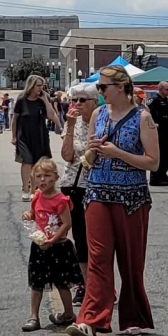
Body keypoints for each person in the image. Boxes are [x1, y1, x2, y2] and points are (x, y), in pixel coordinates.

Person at [65, 67, 158, 336]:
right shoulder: (98, 115)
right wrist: (93, 151)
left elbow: (153, 161)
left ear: (121, 87)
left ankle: (133, 316)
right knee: (98, 259)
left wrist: (117, 153)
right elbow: (89, 160)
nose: (100, 92)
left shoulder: (143, 118)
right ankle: (91, 320)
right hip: (97, 192)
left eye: (103, 87)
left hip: (131, 197)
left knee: (131, 261)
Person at [22, 157, 82, 331]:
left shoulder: (61, 200)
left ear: (55, 177)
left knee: (62, 282)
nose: (42, 180)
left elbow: (66, 223)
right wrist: (28, 215)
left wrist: (53, 239)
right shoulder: (37, 196)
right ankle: (34, 316)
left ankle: (68, 313)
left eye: (47, 176)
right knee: (37, 282)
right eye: (38, 176)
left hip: (58, 246)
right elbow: (34, 214)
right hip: (40, 245)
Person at [57, 82, 99, 260]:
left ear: (94, 102)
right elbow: (67, 155)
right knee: (80, 236)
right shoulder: (72, 122)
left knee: (95, 236)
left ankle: (96, 281)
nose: (77, 104)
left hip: (95, 182)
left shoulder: (100, 121)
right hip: (73, 183)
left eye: (82, 100)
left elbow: (97, 156)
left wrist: (85, 158)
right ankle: (84, 282)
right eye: (74, 100)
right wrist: (71, 126)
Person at [12, 72, 54, 171]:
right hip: (24, 135)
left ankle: (35, 184)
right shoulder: (22, 99)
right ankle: (26, 186)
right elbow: (15, 119)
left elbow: (51, 115)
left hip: (40, 135)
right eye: (38, 86)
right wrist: (13, 136)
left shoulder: (43, 99)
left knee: (39, 162)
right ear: (31, 86)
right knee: (27, 160)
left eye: (42, 86)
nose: (41, 88)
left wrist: (46, 101)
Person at [145, 85, 168, 187]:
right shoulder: (154, 100)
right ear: (160, 89)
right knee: (159, 154)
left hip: (166, 131)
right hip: (157, 132)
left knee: (166, 155)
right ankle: (155, 178)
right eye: (167, 89)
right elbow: (147, 113)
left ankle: (163, 176)